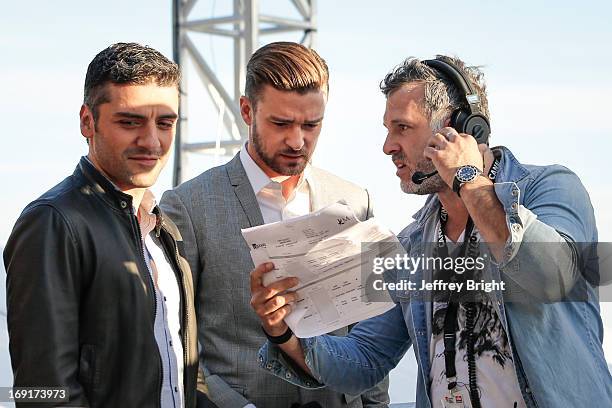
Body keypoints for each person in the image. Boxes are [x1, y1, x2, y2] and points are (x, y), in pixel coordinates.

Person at [250, 55, 612, 407]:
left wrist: (468, 178)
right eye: (389, 130)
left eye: (403, 128)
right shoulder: (410, 246)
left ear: (460, 130)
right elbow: (364, 359)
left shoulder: (552, 188)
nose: (388, 146)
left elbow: (549, 279)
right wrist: (285, 330)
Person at [160, 41, 389, 408]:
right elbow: (174, 337)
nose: (298, 140)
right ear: (247, 110)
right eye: (281, 123)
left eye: (312, 125)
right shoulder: (188, 206)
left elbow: (373, 328)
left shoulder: (355, 200)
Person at [4, 43, 211, 407]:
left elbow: (177, 374)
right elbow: (41, 392)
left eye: (165, 123)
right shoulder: (53, 223)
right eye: (129, 122)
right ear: (88, 121)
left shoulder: (163, 230)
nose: (151, 141)